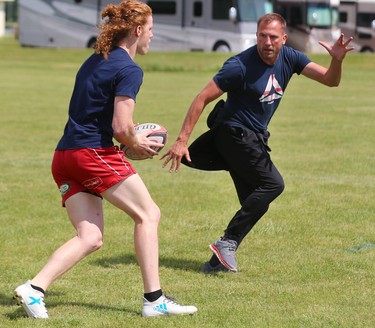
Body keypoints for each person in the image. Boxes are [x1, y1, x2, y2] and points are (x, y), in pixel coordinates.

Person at [13, 0, 197, 318]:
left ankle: (34, 289)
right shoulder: (129, 69)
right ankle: (155, 301)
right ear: (138, 30)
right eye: (151, 29)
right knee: (148, 214)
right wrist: (135, 143)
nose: (153, 36)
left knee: (91, 237)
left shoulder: (95, 58)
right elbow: (121, 127)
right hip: (92, 153)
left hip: (64, 156)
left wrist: (127, 140)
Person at [162, 13, 354, 273]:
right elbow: (201, 98)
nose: (267, 42)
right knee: (273, 184)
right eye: (262, 36)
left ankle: (216, 262)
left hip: (251, 138)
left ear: (284, 39)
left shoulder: (291, 57)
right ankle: (227, 241)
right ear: (256, 36)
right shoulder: (239, 65)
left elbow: (331, 80)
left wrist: (336, 60)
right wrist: (182, 139)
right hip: (232, 133)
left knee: (256, 202)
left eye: (273, 37)